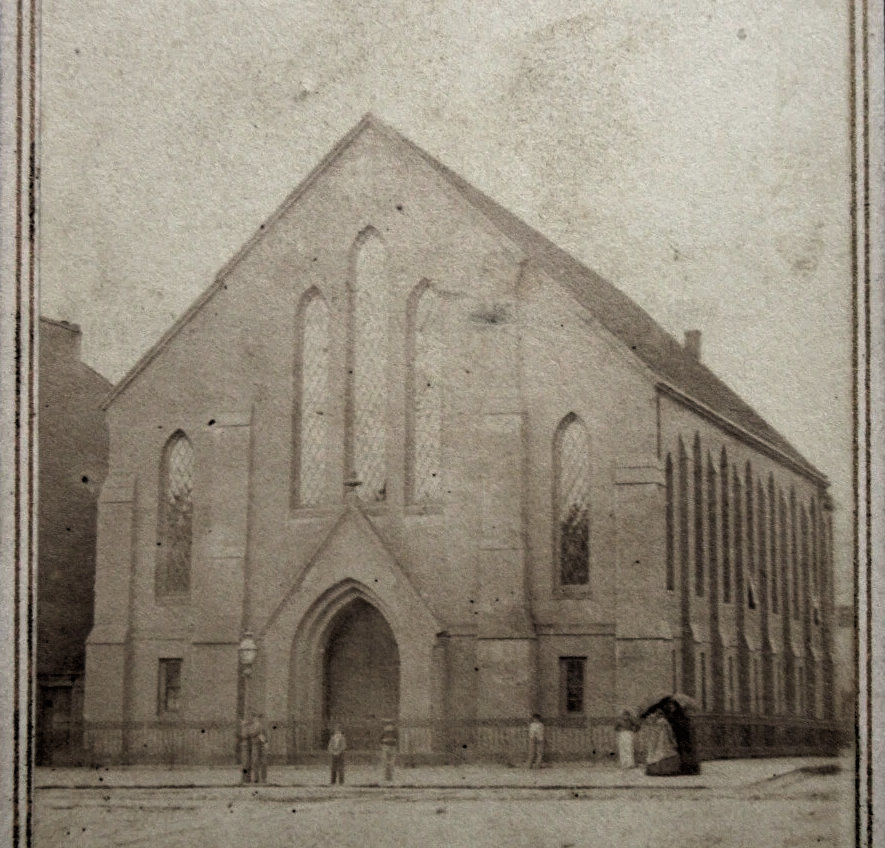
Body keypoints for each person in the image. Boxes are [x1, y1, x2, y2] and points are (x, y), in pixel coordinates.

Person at [644, 710, 680, 776]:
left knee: (658, 754)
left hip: (659, 740)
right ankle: (666, 770)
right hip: (664, 740)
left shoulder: (657, 723)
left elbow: (654, 733)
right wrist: (673, 740)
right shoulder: (664, 722)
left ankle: (657, 770)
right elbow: (670, 732)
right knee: (665, 753)